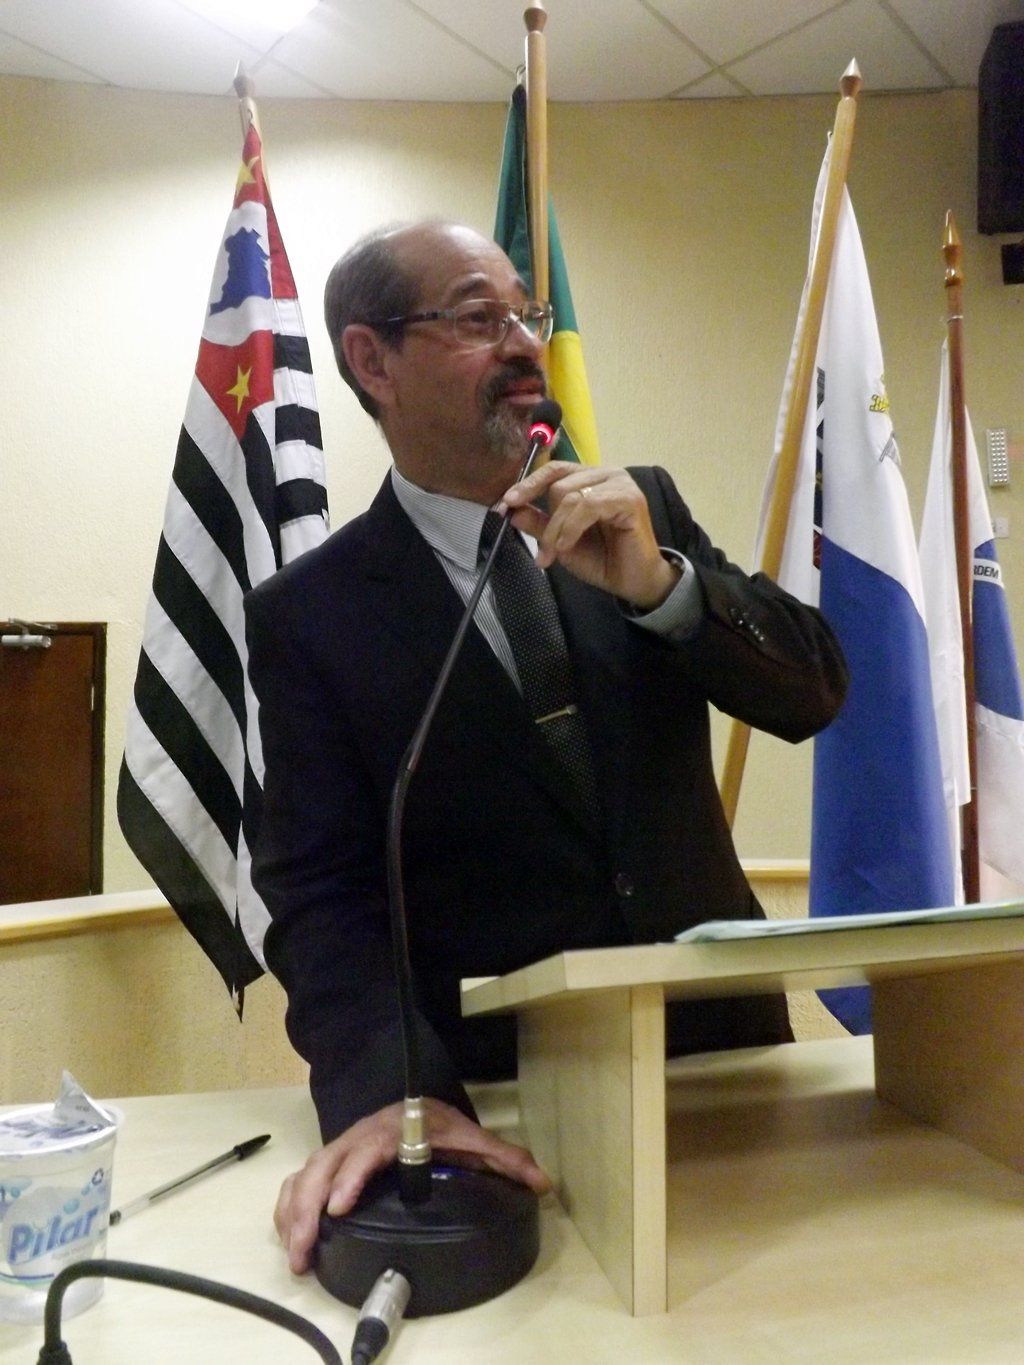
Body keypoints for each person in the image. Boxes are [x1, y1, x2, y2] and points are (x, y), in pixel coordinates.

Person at [244, 220, 848, 1273]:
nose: (526, 343)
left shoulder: (641, 510)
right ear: (372, 361)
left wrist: (663, 587)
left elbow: (812, 691)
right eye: (480, 317)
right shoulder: (311, 615)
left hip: (725, 1060)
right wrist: (396, 1094)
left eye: (528, 313)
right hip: (506, 1113)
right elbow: (322, 894)